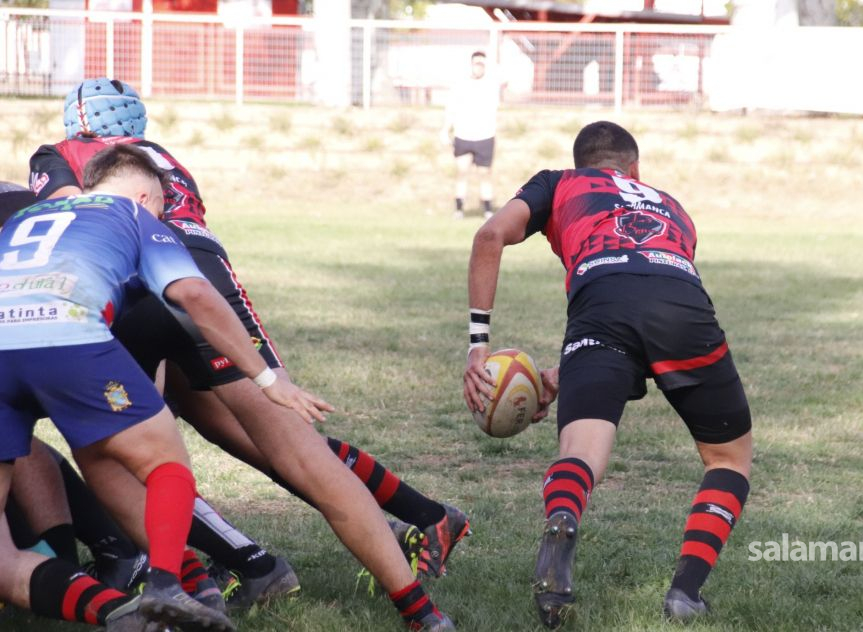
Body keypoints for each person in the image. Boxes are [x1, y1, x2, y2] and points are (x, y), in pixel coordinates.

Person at [30, 78, 461, 630]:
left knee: (115, 455)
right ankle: (421, 610)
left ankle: (190, 581)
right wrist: (265, 375)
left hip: (131, 281)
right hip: (204, 273)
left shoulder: (58, 155)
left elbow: (71, 221)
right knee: (296, 450)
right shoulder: (163, 159)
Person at [0, 144, 326, 631]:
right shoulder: (134, 212)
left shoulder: (29, 215)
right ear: (143, 195)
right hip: (68, 337)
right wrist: (265, 378)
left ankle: (118, 613)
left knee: (3, 559)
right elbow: (195, 294)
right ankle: (167, 586)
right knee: (165, 463)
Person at [463, 121, 754, 628]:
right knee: (728, 457)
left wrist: (478, 346)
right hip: (680, 302)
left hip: (600, 304)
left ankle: (564, 517)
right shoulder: (673, 205)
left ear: (582, 165)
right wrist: (566, 373)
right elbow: (651, 315)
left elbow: (490, 233)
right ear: (634, 168)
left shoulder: (558, 183)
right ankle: (685, 592)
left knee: (580, 455)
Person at [440, 51, 501, 220]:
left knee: (484, 174)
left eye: (482, 64)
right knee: (461, 171)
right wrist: (445, 130)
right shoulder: (461, 85)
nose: (479, 67)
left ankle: (487, 209)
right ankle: (459, 208)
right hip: (463, 135)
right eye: (476, 63)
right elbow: (451, 109)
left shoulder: (490, 85)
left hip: (485, 135)